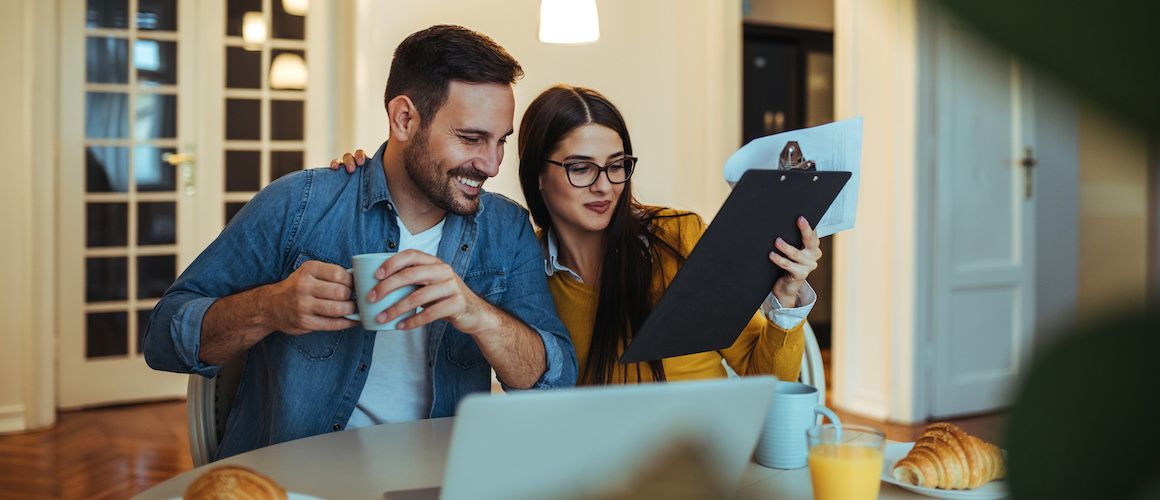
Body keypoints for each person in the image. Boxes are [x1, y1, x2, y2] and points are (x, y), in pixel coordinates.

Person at [144, 25, 578, 460]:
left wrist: (476, 313)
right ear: (404, 119)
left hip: (441, 480)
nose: (492, 164)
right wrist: (270, 307)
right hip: (300, 481)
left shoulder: (507, 229)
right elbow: (165, 337)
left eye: (500, 141)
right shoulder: (300, 205)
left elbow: (556, 380)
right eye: (471, 138)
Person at [334, 85, 820, 385]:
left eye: (616, 166)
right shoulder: (521, 270)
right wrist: (368, 170)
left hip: (705, 458)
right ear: (538, 176)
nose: (604, 186)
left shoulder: (677, 237)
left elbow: (767, 377)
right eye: (581, 168)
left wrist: (786, 301)